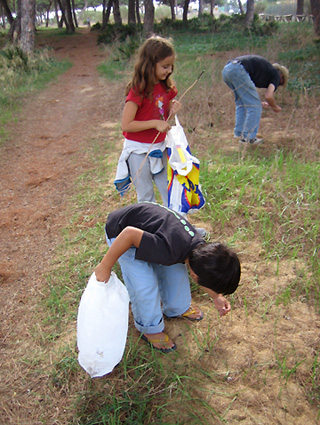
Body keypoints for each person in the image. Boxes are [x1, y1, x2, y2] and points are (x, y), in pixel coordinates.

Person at [94, 202, 241, 353]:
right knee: (144, 285)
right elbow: (129, 234)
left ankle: (178, 307)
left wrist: (217, 296)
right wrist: (105, 266)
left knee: (176, 273)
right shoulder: (169, 250)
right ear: (194, 276)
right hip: (121, 235)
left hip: (149, 232)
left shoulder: (199, 248)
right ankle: (149, 328)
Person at [114, 36, 181, 205]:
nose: (169, 70)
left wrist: (171, 110)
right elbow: (126, 124)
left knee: (171, 190)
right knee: (146, 196)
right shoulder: (138, 90)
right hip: (137, 151)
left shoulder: (166, 87)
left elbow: (161, 116)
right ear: (150, 64)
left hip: (159, 147)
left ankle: (180, 229)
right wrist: (154, 124)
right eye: (165, 66)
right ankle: (149, 229)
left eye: (171, 66)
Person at [222, 55, 289, 145]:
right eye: (281, 83)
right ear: (282, 77)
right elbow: (269, 96)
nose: (278, 85)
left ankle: (238, 134)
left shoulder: (266, 70)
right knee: (254, 106)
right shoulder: (276, 75)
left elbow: (248, 98)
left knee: (241, 104)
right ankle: (248, 139)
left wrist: (259, 103)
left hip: (227, 69)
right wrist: (275, 107)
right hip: (239, 69)